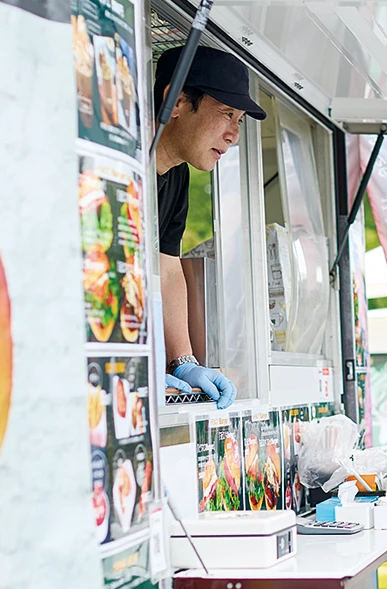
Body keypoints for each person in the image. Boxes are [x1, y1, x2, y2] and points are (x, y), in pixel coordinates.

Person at [154, 45, 266, 408]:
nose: (234, 134)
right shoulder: (118, 162)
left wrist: (183, 362)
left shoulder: (178, 176)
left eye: (239, 120)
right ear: (177, 102)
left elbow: (167, 268)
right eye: (227, 113)